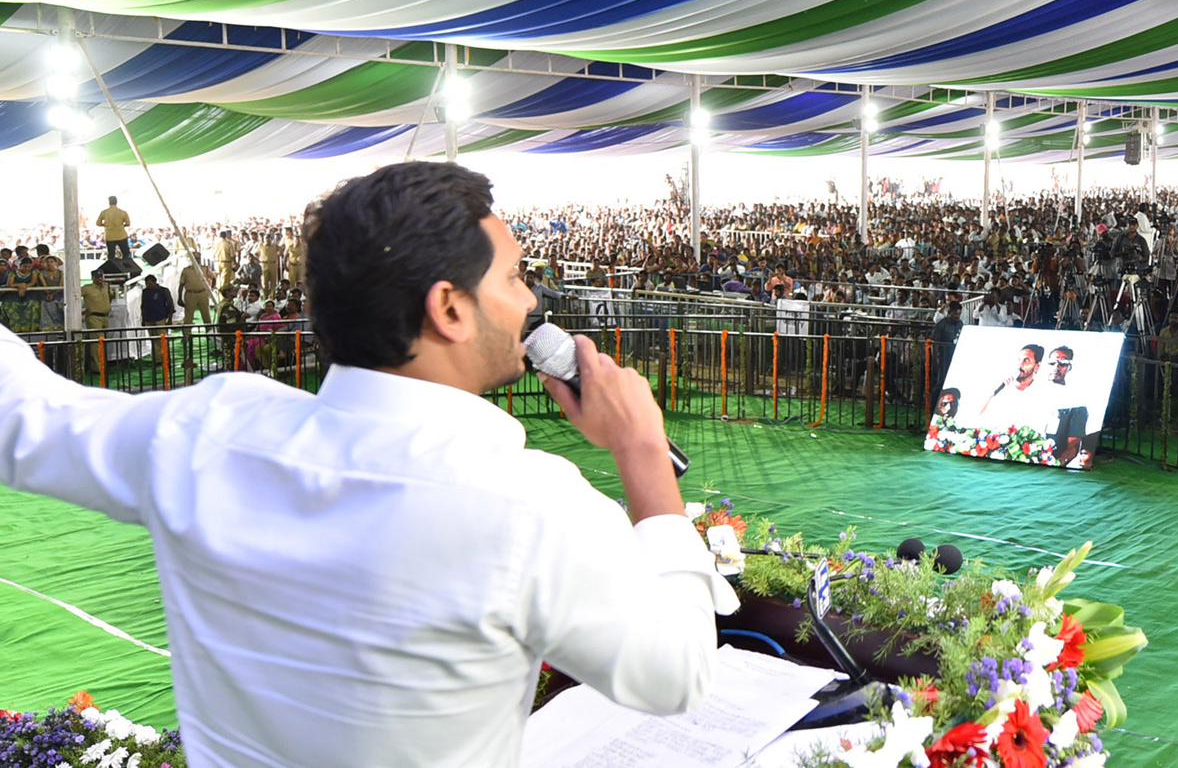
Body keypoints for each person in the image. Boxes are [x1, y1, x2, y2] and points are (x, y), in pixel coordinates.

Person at [0, 160, 734, 768]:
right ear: (448, 308)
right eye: (513, 277)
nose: (531, 300)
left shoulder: (205, 432)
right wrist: (642, 456)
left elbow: (22, 417)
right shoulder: (527, 504)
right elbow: (675, 675)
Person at [1044, 345, 1089, 467]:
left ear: (1069, 367)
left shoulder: (1076, 403)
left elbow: (1073, 446)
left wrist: (1056, 464)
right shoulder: (1030, 393)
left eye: (1063, 363)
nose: (1056, 367)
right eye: (1052, 363)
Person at [81, 268, 111, 374]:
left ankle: (103, 366)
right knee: (97, 343)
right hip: (94, 317)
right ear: (93, 278)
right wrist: (82, 313)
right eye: (97, 277)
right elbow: (74, 297)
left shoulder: (106, 287)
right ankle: (98, 368)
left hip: (105, 317)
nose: (100, 279)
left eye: (101, 277)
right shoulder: (86, 288)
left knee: (104, 342)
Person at [141, 275, 174, 363]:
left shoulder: (163, 291)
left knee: (162, 339)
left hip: (160, 318)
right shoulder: (145, 292)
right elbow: (143, 306)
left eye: (150, 284)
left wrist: (170, 319)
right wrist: (143, 319)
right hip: (149, 318)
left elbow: (170, 304)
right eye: (147, 284)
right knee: (153, 340)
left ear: (155, 282)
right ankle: (157, 359)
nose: (148, 286)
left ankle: (167, 359)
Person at [930, 300, 962, 393]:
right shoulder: (941, 324)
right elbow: (935, 343)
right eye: (955, 314)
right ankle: (934, 405)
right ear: (949, 312)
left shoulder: (960, 323)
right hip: (944, 355)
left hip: (955, 355)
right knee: (942, 381)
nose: (957, 316)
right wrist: (935, 360)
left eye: (959, 314)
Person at [96, 195, 132, 261]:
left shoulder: (104, 212)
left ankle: (112, 269)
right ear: (116, 202)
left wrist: (105, 225)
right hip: (121, 236)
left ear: (109, 202)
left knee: (111, 255)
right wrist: (121, 225)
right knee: (126, 254)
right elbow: (128, 223)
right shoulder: (123, 212)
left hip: (110, 237)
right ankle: (127, 267)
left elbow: (98, 223)